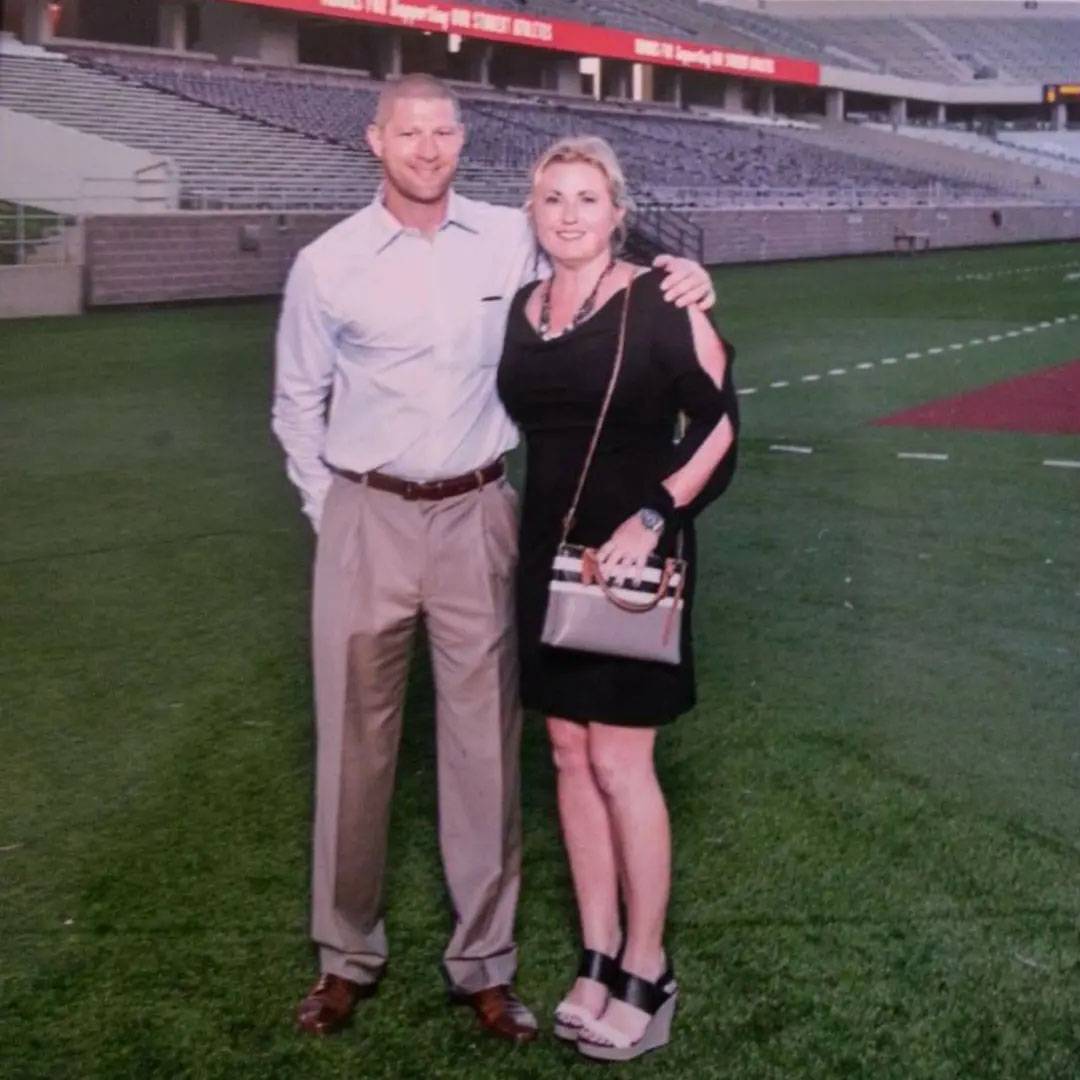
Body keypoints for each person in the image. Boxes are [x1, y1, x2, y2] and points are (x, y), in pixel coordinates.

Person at [272, 74, 716, 1043]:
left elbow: (592, 239)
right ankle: (346, 957)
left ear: (462, 140)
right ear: (375, 140)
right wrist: (332, 512)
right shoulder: (328, 262)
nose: (426, 148)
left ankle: (484, 966)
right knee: (355, 751)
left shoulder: (506, 234)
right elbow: (295, 402)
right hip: (364, 516)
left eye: (442, 132)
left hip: (481, 513)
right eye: (408, 132)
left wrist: (681, 269)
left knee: (484, 754)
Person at [496, 135, 739, 1062]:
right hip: (547, 552)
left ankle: (649, 967)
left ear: (616, 211)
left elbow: (720, 418)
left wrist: (656, 511)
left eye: (586, 198)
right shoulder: (524, 307)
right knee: (565, 751)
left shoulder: (662, 298)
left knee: (622, 762)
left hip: (631, 559)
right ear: (532, 210)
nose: (568, 213)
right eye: (552, 197)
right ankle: (597, 955)